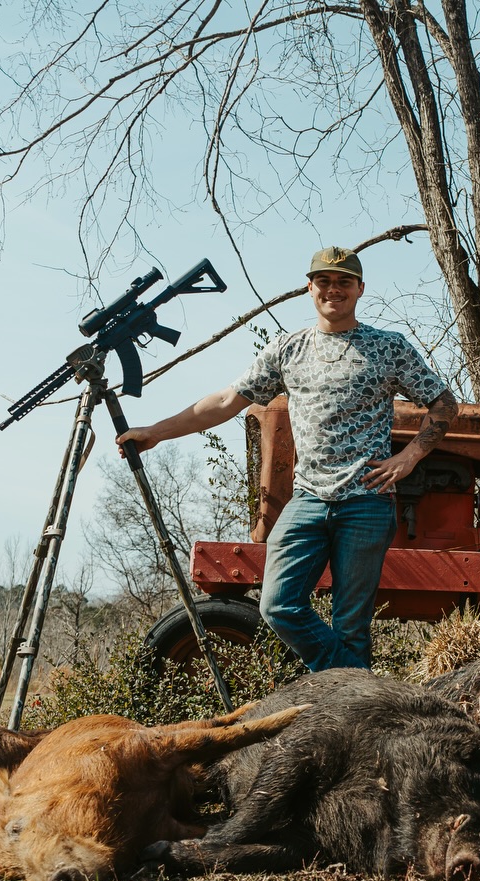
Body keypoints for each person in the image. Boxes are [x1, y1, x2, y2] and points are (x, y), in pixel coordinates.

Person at [117, 246, 458, 671]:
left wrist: (409, 457)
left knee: (352, 624)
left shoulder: (388, 347)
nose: (334, 290)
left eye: (344, 282)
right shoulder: (288, 349)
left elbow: (443, 403)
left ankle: (344, 717)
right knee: (277, 605)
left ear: (360, 289)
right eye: (325, 282)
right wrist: (155, 431)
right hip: (308, 499)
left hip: (366, 502)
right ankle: (353, 681)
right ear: (310, 288)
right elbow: (225, 401)